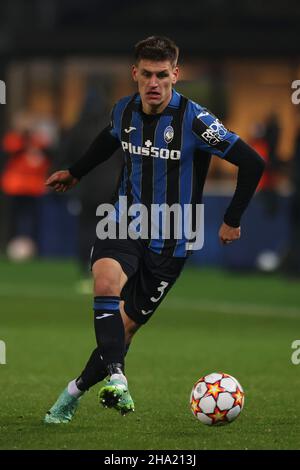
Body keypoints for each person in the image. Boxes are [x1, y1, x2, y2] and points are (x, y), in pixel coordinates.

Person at [44, 36, 265, 423]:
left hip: (172, 239)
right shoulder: (122, 111)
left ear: (175, 74)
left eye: (163, 75)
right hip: (124, 221)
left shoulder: (196, 120)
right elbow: (107, 141)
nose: (154, 83)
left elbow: (252, 163)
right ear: (135, 74)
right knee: (105, 282)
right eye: (146, 74)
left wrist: (232, 218)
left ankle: (72, 392)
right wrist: (76, 173)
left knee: (125, 329)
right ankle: (119, 378)